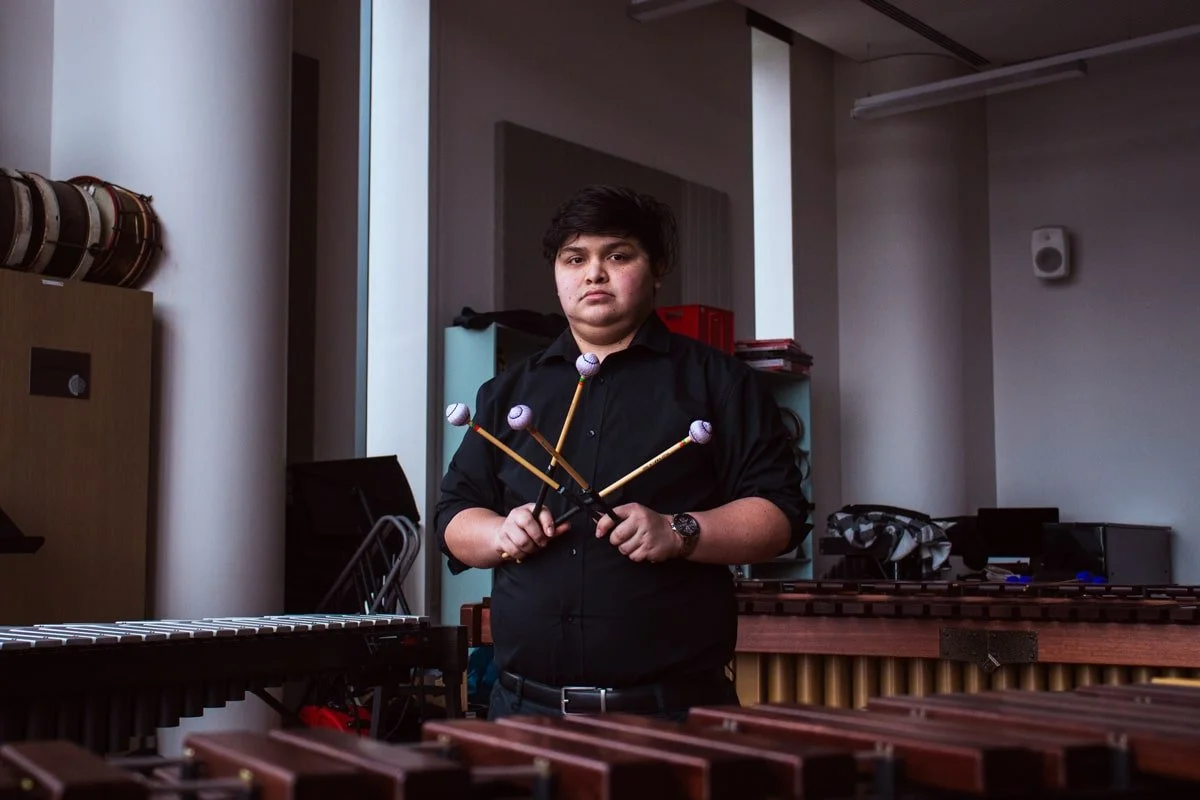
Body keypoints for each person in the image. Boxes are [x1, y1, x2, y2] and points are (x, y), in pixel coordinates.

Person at [434, 184, 809, 721]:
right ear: (557, 274)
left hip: (669, 714)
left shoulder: (718, 383)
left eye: (617, 255)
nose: (593, 274)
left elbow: (779, 516)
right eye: (575, 259)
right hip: (522, 711)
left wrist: (678, 531)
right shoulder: (509, 392)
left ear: (657, 269)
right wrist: (499, 534)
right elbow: (453, 517)